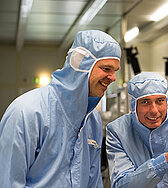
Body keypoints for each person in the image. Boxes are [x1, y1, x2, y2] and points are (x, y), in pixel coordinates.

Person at [0, 30, 121, 187]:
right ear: (82, 65)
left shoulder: (92, 119)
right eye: (106, 69)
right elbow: (8, 181)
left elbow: (94, 181)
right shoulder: (27, 111)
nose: (113, 77)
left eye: (114, 71)